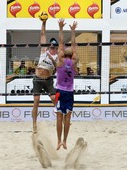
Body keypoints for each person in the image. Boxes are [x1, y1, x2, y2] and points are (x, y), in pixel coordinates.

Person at [55, 19, 78, 150]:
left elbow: (61, 43)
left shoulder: (60, 61)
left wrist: (61, 28)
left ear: (64, 53)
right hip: (69, 91)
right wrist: (73, 31)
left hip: (59, 90)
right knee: (67, 117)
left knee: (59, 116)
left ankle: (59, 141)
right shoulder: (74, 62)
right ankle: (64, 140)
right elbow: (73, 45)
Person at [32, 19, 58, 133]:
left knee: (55, 99)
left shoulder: (57, 56)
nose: (52, 48)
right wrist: (44, 22)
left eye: (54, 47)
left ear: (56, 48)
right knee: (36, 102)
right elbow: (42, 34)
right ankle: (34, 125)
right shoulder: (43, 51)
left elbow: (57, 67)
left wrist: (52, 59)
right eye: (51, 47)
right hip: (38, 79)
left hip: (48, 80)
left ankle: (61, 119)